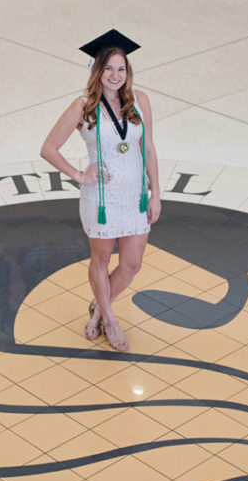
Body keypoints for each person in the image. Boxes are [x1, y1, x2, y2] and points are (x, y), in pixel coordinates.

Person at [40, 29, 161, 352]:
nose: (115, 75)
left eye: (121, 69)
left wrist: (156, 192)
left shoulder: (140, 101)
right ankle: (108, 317)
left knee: (132, 263)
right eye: (108, 68)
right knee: (102, 258)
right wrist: (80, 175)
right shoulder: (83, 106)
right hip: (102, 199)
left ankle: (97, 305)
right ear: (97, 71)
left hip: (134, 196)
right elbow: (49, 148)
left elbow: (148, 147)